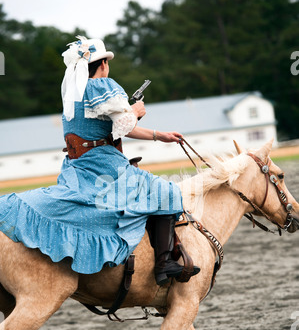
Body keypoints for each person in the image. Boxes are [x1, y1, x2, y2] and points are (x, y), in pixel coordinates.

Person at [0, 36, 200, 285]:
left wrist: (159, 135)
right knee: (167, 192)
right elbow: (125, 125)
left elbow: (116, 127)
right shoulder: (102, 87)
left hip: (77, 168)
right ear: (103, 64)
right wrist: (135, 111)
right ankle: (164, 264)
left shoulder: (74, 95)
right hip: (104, 165)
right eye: (107, 62)